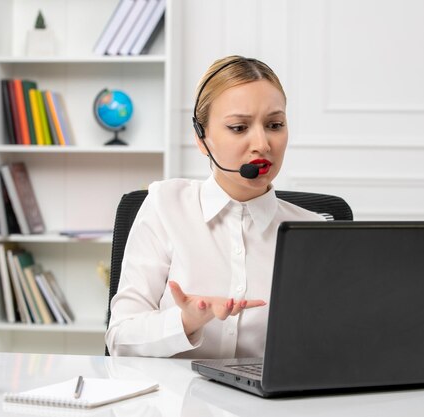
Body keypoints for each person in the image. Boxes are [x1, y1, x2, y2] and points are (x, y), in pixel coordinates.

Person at [105, 56, 324, 358]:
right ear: (201, 138)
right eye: (238, 127)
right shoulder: (164, 206)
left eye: (275, 125)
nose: (262, 143)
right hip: (175, 402)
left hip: (271, 405)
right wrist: (186, 322)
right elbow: (120, 338)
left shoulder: (313, 230)